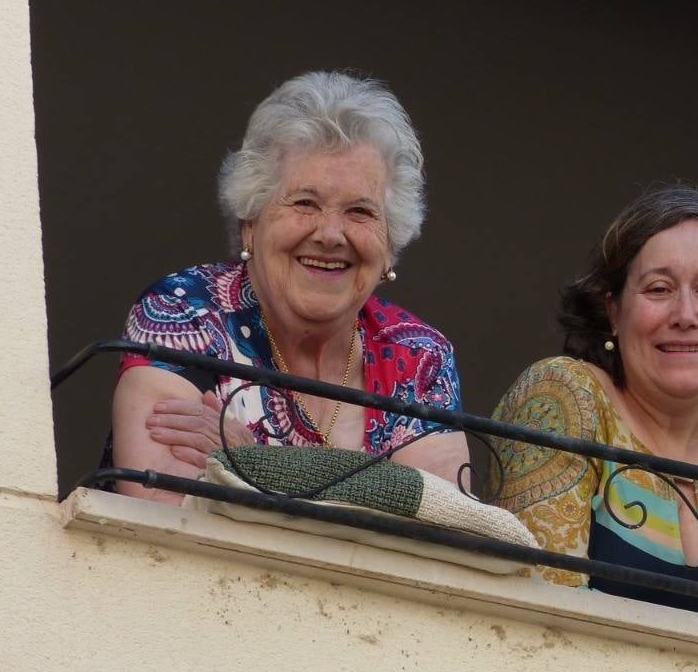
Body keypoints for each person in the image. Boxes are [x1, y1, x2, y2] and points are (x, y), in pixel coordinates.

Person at [111, 71, 468, 505]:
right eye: (304, 203)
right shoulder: (186, 311)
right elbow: (166, 509)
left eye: (360, 211)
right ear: (250, 223)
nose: (331, 234)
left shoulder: (419, 355)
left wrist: (252, 465)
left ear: (390, 246)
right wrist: (375, 493)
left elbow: (440, 525)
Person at [492, 186, 698, 629]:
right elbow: (542, 613)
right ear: (614, 311)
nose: (685, 314)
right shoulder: (564, 394)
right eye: (659, 288)